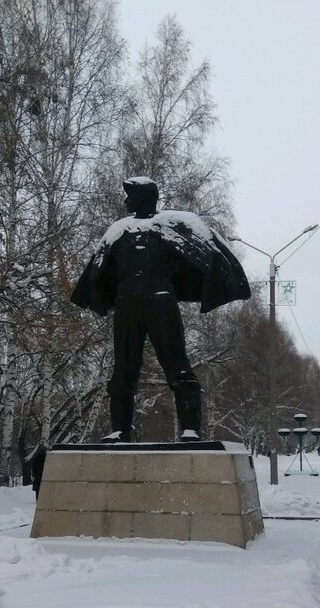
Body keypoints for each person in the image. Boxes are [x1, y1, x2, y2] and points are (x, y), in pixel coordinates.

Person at [71, 177, 250, 443]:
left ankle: (190, 429)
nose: (125, 201)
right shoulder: (119, 229)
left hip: (161, 302)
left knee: (176, 363)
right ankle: (119, 430)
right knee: (123, 369)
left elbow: (207, 252)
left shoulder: (171, 225)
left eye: (131, 195)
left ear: (144, 197)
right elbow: (98, 269)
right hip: (127, 304)